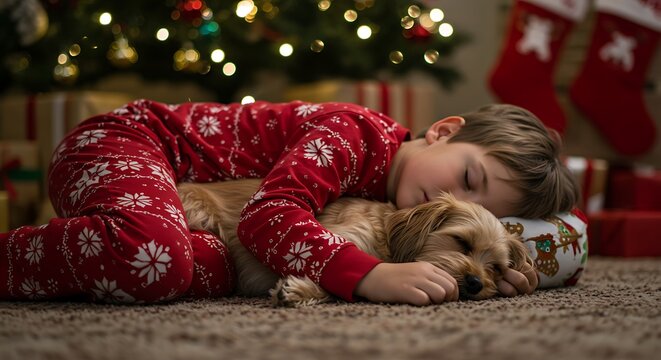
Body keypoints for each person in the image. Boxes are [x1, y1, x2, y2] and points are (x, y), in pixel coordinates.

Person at [0, 100, 578, 305]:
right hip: (130, 144)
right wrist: (371, 276)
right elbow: (269, 217)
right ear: (444, 131)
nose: (453, 200)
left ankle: (89, 245)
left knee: (203, 271)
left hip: (205, 217)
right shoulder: (354, 135)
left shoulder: (391, 203)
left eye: (479, 205)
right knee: (153, 257)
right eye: (468, 177)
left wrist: (505, 265)